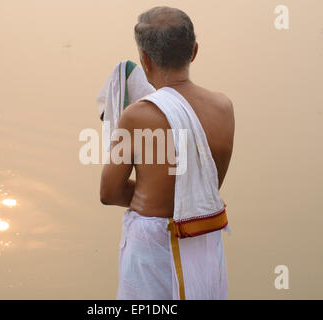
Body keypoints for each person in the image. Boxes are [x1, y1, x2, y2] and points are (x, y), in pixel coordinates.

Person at [99, 6, 235, 300]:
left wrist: (150, 194)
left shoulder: (137, 116)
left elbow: (109, 192)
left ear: (144, 60)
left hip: (154, 248)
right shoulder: (224, 108)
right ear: (194, 51)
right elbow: (205, 185)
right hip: (204, 237)